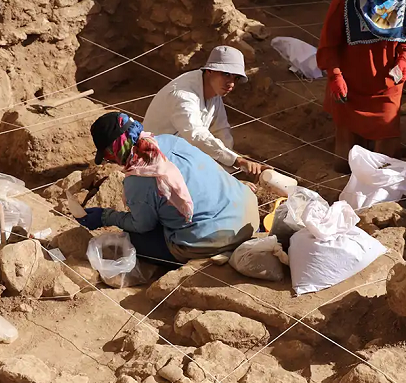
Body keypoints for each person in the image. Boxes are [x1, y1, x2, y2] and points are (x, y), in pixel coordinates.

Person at [76, 112, 260, 267]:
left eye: (108, 156)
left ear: (113, 150)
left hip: (215, 238)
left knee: (130, 240)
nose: (111, 160)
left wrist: (105, 216)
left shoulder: (139, 178)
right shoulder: (170, 140)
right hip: (248, 214)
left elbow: (143, 225)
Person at [317, 0, 406, 172]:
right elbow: (329, 42)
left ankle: (379, 188)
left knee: (385, 144)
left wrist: (404, 60)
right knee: (344, 158)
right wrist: (334, 74)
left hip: (387, 82)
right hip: (350, 79)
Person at [143, 45, 266, 176]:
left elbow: (221, 130)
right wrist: (236, 161)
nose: (231, 84)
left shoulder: (213, 90)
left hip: (182, 155)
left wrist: (231, 170)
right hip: (154, 159)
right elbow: (196, 135)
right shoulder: (183, 94)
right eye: (226, 75)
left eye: (235, 78)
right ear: (209, 71)